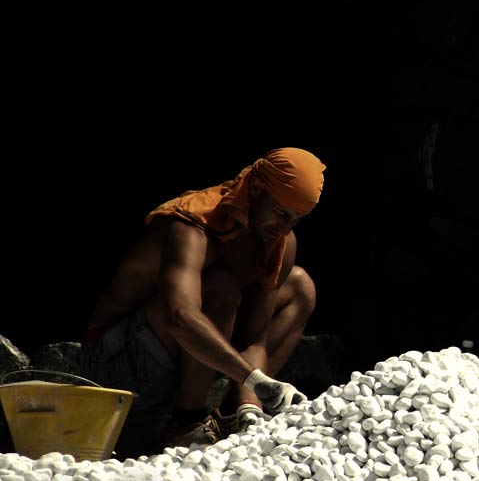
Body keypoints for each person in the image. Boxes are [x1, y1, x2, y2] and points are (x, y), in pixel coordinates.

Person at [77, 147, 327, 457]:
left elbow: (256, 340)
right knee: (220, 287)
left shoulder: (279, 243)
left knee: (300, 287)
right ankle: (187, 423)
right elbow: (180, 316)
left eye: (295, 220)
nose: (285, 228)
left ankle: (231, 416)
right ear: (257, 188)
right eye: (280, 213)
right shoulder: (191, 225)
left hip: (186, 363)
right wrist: (256, 379)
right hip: (114, 365)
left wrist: (251, 404)